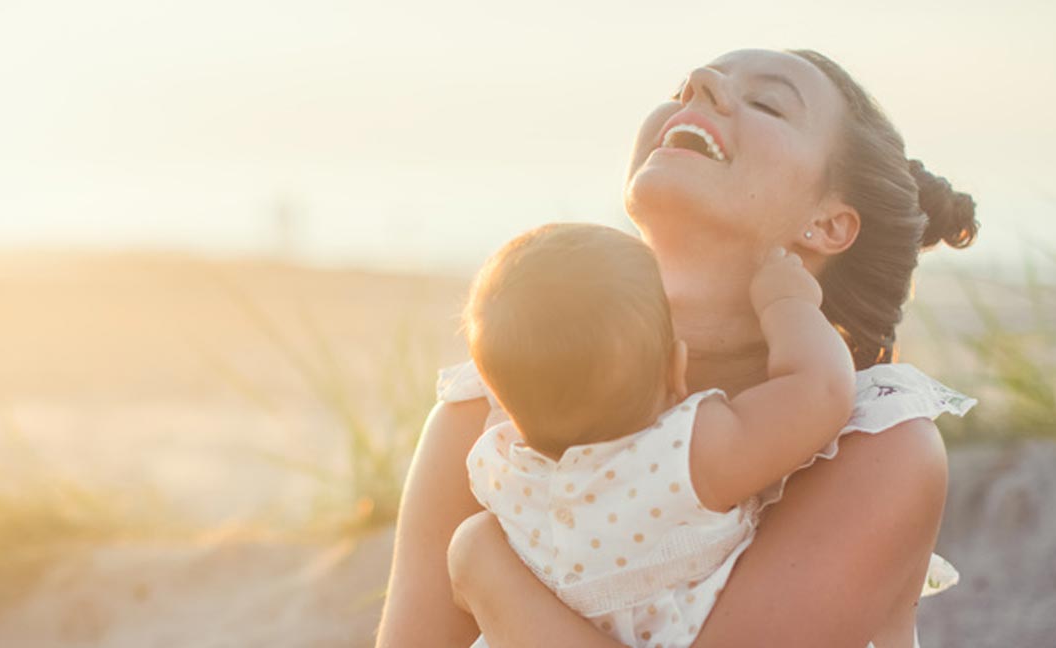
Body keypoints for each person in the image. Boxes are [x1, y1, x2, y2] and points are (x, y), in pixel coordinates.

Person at [378, 48, 979, 648]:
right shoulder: (494, 407)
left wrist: (486, 571)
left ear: (828, 224)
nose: (699, 82)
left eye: (768, 103)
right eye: (683, 88)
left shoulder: (877, 445)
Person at [461, 222, 854, 647]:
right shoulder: (686, 456)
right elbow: (822, 390)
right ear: (676, 368)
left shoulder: (500, 470)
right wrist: (788, 302)